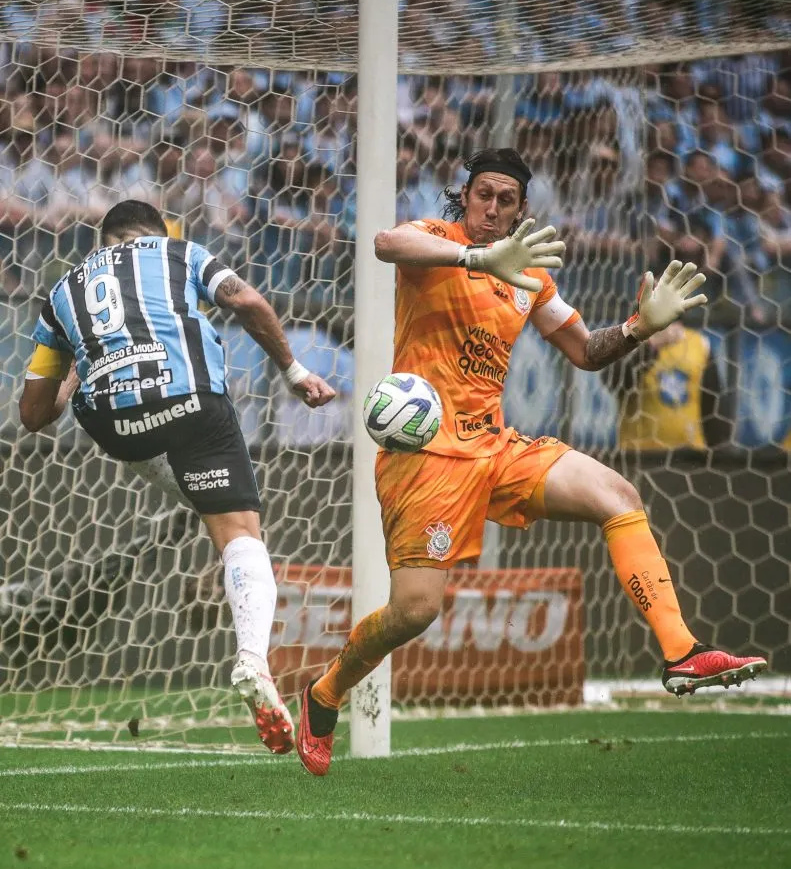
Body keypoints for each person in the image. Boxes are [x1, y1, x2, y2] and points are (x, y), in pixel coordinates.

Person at [295, 147, 768, 776]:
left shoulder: (530, 278)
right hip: (428, 457)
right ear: (464, 197)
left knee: (618, 495)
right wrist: (474, 256)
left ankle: (682, 653)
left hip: (496, 447)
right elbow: (385, 243)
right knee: (415, 611)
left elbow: (585, 352)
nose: (493, 209)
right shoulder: (438, 240)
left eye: (507, 200)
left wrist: (637, 327)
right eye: (483, 195)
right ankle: (325, 693)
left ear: (523, 209)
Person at [18, 199, 335, 755]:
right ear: (156, 232)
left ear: (103, 240)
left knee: (163, 455)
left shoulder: (60, 294)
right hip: (189, 404)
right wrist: (295, 370)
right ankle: (253, 662)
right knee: (239, 532)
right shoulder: (179, 251)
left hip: (114, 425)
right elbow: (248, 301)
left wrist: (72, 374)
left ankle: (196, 493)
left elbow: (33, 416)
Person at [601, 320, 732, 450]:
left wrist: (719, 454)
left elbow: (713, 404)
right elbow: (612, 382)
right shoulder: (629, 339)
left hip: (691, 455)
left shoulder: (700, 344)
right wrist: (651, 346)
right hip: (638, 455)